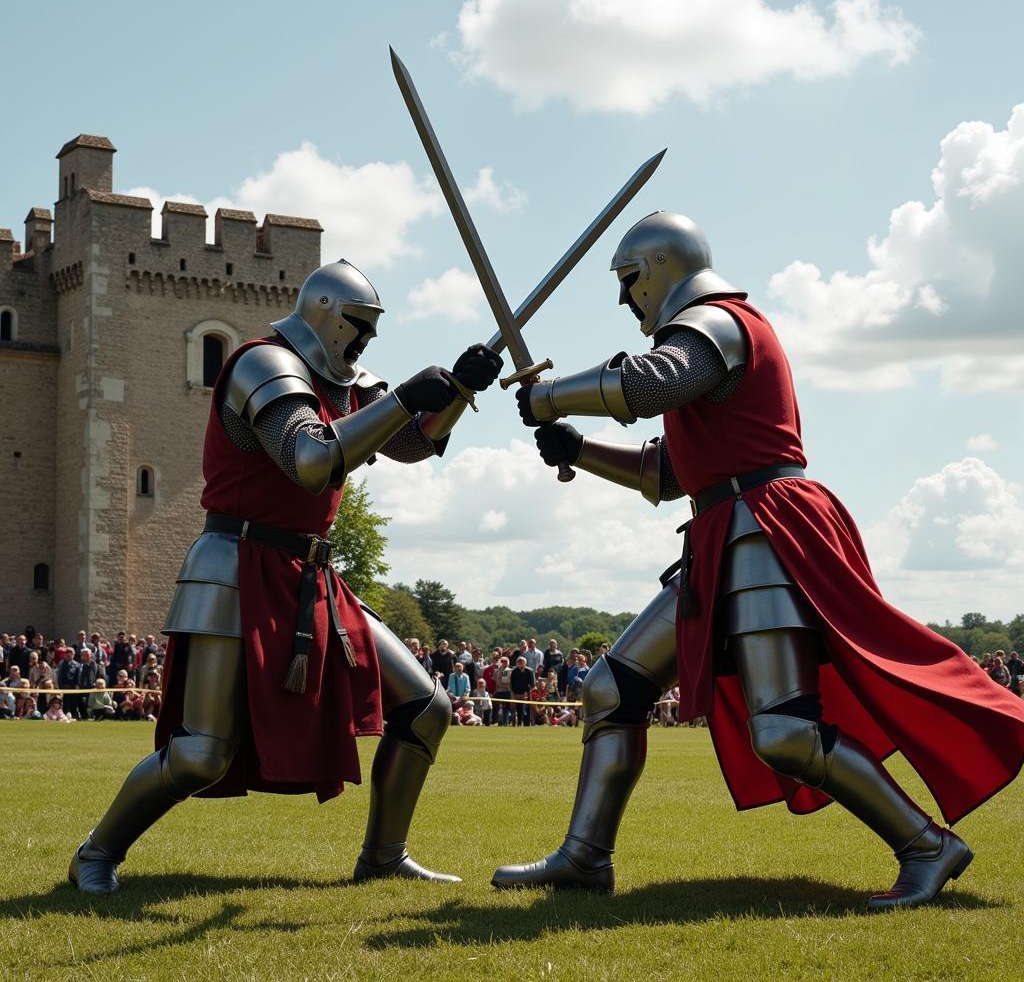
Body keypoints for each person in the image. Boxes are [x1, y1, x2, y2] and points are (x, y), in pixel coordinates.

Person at [492, 211, 1024, 909]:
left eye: (628, 282)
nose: (625, 301)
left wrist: (551, 395)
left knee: (784, 732)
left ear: (659, 272)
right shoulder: (703, 349)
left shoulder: (720, 322)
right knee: (610, 691)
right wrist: (578, 451)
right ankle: (586, 857)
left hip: (762, 531)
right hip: (725, 530)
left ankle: (927, 846)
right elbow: (671, 474)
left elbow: (647, 385)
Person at [70, 258, 502, 894]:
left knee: (427, 706)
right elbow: (310, 458)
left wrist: (461, 392)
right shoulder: (262, 363)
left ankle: (384, 855)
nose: (366, 341)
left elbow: (409, 442)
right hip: (235, 568)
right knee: (201, 753)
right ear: (326, 314)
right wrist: (410, 396)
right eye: (359, 325)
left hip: (311, 574)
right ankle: (96, 853)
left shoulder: (348, 381)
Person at [510, 656, 535, 727]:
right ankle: (519, 723)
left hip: (527, 695)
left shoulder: (529, 671)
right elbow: (511, 683)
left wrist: (527, 693)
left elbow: (532, 684)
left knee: (527, 710)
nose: (520, 663)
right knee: (518, 709)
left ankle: (527, 724)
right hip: (517, 694)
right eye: (519, 662)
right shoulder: (514, 671)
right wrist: (514, 694)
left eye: (522, 662)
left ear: (525, 663)